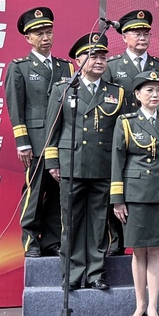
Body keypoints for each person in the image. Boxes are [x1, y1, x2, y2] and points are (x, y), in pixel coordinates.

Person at [45, 33, 126, 293]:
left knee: (99, 223)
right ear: (78, 60)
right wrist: (52, 161)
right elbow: (52, 128)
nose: (99, 61)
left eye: (103, 57)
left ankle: (95, 273)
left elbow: (121, 134)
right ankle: (72, 273)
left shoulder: (116, 92)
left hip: (103, 165)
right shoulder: (64, 89)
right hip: (72, 164)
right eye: (93, 56)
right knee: (71, 222)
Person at [111, 70, 159, 316]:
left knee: (157, 250)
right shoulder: (126, 122)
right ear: (137, 95)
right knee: (138, 250)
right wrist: (117, 198)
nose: (155, 95)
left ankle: (153, 307)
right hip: (136, 194)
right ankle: (139, 305)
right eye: (149, 90)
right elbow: (117, 160)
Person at [7, 6, 67, 258]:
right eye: (39, 33)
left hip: (60, 141)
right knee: (34, 191)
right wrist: (22, 142)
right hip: (36, 140)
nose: (45, 37)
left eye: (48, 32)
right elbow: (15, 106)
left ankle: (52, 240)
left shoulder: (66, 67)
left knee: (57, 193)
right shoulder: (19, 67)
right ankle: (30, 240)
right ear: (28, 38)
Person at [107, 10, 159, 91]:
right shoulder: (111, 66)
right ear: (124, 37)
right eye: (137, 34)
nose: (142, 38)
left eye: (146, 34)